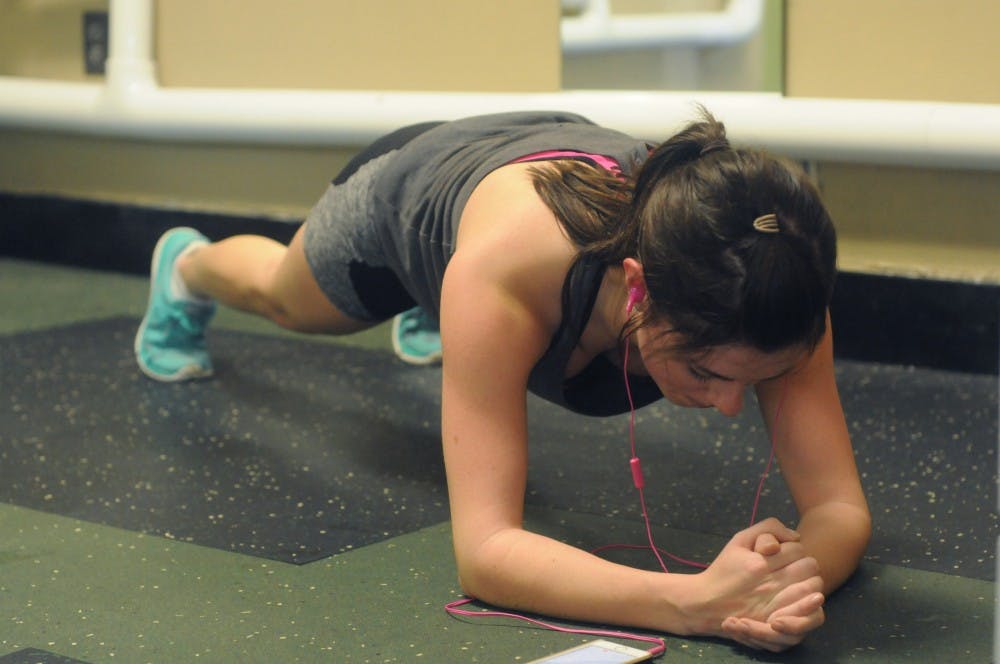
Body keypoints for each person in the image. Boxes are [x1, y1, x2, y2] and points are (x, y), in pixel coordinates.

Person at [134, 110, 871, 652]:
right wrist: (692, 604)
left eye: (757, 380)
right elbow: (486, 554)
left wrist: (789, 581)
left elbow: (839, 507)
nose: (729, 406)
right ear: (638, 289)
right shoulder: (509, 273)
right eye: (705, 373)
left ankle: (460, 332)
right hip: (405, 196)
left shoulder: (777, 291)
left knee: (485, 328)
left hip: (506, 229)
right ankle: (188, 268)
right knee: (285, 299)